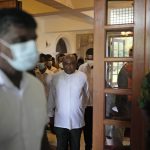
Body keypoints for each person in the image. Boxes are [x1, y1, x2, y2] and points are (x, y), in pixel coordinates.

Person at [0, 8, 47, 150]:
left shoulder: (36, 87)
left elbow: (41, 137)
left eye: (33, 40)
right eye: (20, 40)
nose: (30, 47)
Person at [48, 54, 89, 150]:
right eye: (66, 64)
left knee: (75, 146)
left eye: (72, 64)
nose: (69, 66)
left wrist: (81, 108)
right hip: (60, 120)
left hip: (77, 119)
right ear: (62, 64)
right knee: (61, 146)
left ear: (76, 64)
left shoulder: (82, 76)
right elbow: (51, 97)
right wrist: (50, 115)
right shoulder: (56, 77)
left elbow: (87, 96)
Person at [79, 48, 93, 150]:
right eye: (88, 58)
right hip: (85, 103)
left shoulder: (101, 66)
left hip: (97, 103)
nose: (90, 60)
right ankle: (88, 146)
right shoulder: (81, 67)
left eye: (92, 58)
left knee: (95, 127)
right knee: (87, 127)